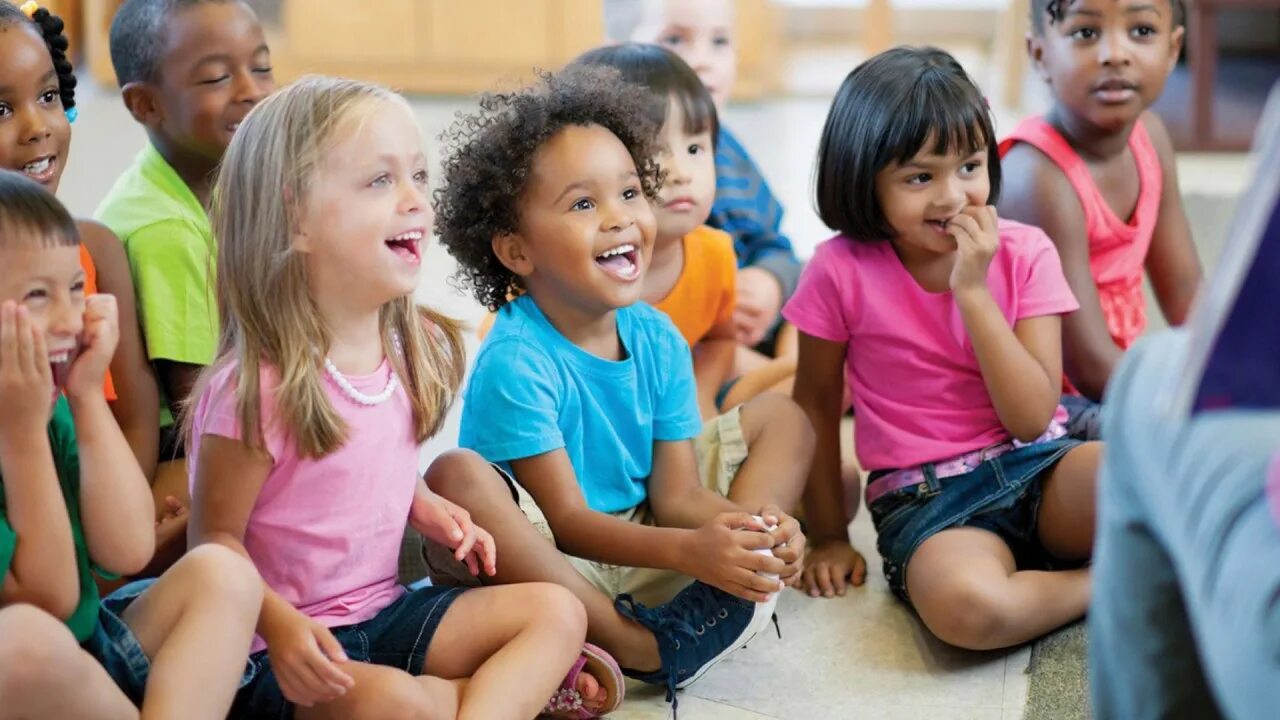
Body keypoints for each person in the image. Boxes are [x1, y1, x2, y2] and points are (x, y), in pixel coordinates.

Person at [186, 76, 620, 719]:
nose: (416, 199)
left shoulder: (404, 352)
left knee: (556, 609)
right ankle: (466, 701)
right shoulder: (253, 390)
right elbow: (212, 545)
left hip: (384, 613)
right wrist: (280, 630)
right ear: (296, 218)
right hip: (280, 653)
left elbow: (367, 466)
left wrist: (427, 506)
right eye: (380, 181)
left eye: (418, 174)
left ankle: (457, 706)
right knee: (391, 702)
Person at [429, 64, 811, 710]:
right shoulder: (517, 358)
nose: (620, 219)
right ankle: (631, 645)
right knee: (455, 478)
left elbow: (678, 492)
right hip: (555, 561)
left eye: (631, 193)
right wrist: (692, 549)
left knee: (784, 419)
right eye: (583, 204)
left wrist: (750, 532)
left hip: (644, 537)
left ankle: (722, 590)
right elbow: (571, 525)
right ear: (518, 252)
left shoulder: (657, 337)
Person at [790, 47, 1099, 650]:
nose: (953, 197)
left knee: (1147, 480)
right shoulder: (836, 271)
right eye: (919, 177)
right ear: (864, 179)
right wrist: (829, 534)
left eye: (969, 166)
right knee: (968, 610)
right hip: (926, 502)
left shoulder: (1026, 250)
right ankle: (1105, 583)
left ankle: (1069, 568)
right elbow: (816, 407)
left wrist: (974, 292)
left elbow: (1033, 417)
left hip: (1038, 461)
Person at [0, 170, 262, 720]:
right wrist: (20, 436)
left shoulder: (52, 405)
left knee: (224, 573)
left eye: (76, 288)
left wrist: (90, 397)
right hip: (23, 678)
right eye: (38, 296)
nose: (71, 318)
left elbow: (127, 550)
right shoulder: (24, 418)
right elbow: (48, 602)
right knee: (23, 641)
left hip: (89, 658)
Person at [999, 0, 1202, 438]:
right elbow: (1088, 364)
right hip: (1044, 407)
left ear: (1173, 49)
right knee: (1182, 444)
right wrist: (1193, 402)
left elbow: (1186, 291)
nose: (1115, 53)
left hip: (1110, 379)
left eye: (1142, 31)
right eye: (1086, 34)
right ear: (1040, 56)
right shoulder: (1038, 178)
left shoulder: (1151, 138)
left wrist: (1237, 370)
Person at [570, 42, 794, 417]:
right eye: (653, 153)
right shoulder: (568, 265)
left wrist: (700, 397)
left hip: (681, 391)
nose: (680, 172)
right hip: (594, 419)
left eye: (695, 148)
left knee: (805, 406)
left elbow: (719, 342)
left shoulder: (714, 252)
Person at [96, 0, 276, 459]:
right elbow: (197, 408)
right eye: (217, 77)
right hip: (179, 443)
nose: (251, 90)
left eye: (262, 67)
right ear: (145, 104)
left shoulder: (203, 176)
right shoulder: (165, 229)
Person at [0, 1, 161, 492]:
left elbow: (137, 421)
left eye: (48, 96)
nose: (37, 126)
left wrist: (115, 539)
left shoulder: (96, 249)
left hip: (105, 520)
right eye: (1, 109)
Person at [603, 0, 803, 366]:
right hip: (689, 343)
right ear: (619, 51)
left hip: (745, 323)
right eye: (676, 40)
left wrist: (770, 281)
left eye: (720, 42)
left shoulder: (732, 151)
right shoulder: (611, 162)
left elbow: (775, 242)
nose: (702, 60)